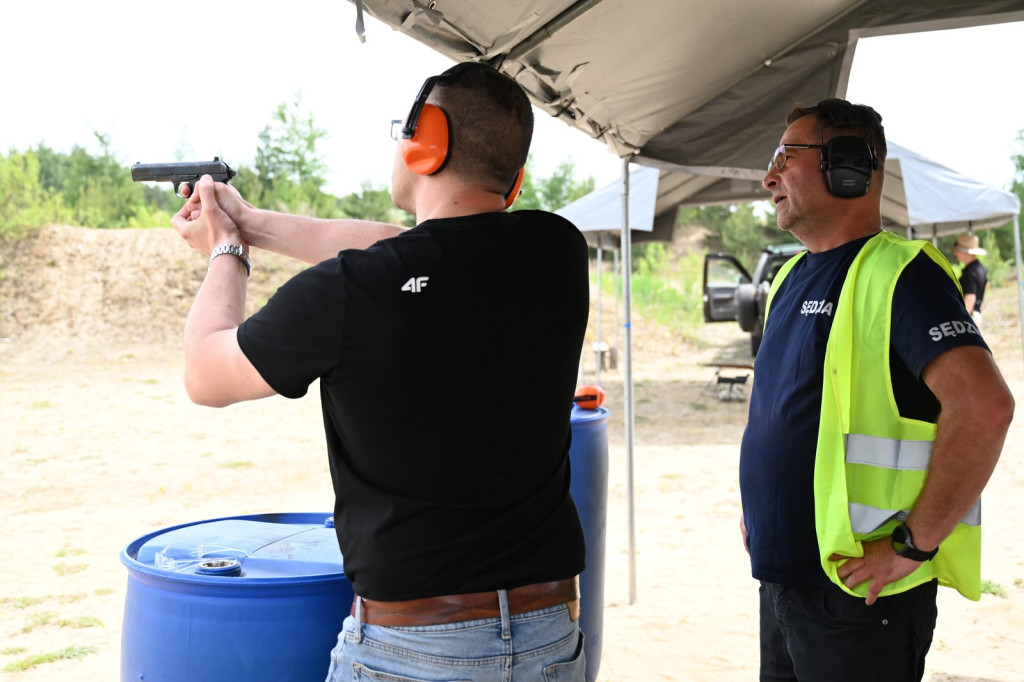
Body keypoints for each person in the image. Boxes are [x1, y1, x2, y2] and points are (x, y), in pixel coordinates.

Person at [171, 61, 588, 681]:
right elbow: (413, 245)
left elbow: (206, 372)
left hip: (412, 652)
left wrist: (225, 253)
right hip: (551, 636)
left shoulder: (350, 292)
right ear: (516, 178)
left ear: (429, 142)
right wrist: (248, 221)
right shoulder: (557, 250)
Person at [740, 98, 1014, 681]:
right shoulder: (789, 275)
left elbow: (985, 406)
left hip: (860, 598)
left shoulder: (904, 273)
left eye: (785, 156)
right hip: (784, 579)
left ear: (848, 165)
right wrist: (758, 507)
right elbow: (771, 401)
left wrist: (913, 545)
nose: (769, 176)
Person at [953, 232, 989, 325]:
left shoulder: (970, 272)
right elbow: (987, 285)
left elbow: (970, 298)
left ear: (966, 252)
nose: (955, 253)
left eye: (958, 250)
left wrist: (962, 320)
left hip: (970, 316)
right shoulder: (981, 267)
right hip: (976, 314)